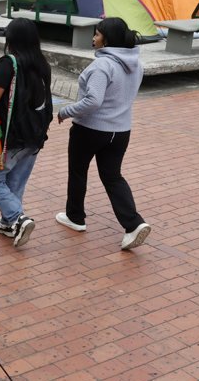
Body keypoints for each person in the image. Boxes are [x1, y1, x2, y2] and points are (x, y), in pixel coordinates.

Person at [55, 17, 152, 251]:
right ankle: (133, 223)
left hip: (90, 129)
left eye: (97, 34)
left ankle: (75, 217)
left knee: (78, 171)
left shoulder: (102, 65)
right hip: (121, 130)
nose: (94, 38)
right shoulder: (136, 64)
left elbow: (93, 101)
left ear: (107, 39)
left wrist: (66, 111)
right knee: (112, 176)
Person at [0, 19, 53, 248]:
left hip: (9, 136)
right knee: (16, 181)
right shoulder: (42, 63)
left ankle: (17, 218)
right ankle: (7, 222)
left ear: (11, 39)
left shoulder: (8, 62)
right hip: (34, 134)